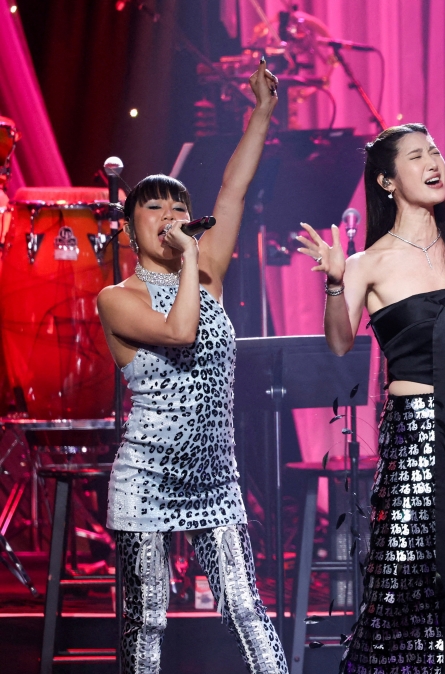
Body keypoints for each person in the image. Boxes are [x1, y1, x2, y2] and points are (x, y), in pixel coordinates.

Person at [294, 123, 445, 674]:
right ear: (386, 180)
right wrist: (334, 282)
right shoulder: (365, 264)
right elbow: (338, 341)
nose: (434, 162)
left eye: (436, 152)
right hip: (417, 431)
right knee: (403, 579)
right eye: (417, 156)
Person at [97, 59, 288, 674]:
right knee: (146, 619)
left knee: (245, 608)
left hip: (215, 476)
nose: (171, 214)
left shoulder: (206, 276)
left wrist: (260, 113)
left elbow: (231, 190)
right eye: (154, 208)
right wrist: (187, 263)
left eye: (177, 204)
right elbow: (179, 332)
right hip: (147, 477)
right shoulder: (118, 298)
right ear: (132, 231)